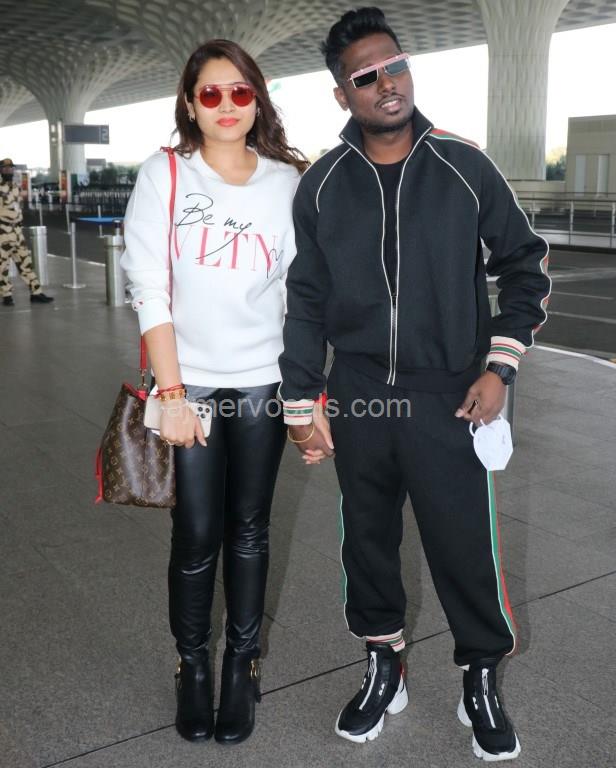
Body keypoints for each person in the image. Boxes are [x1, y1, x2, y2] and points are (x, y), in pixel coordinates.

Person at [279, 7, 550, 762]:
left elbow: (525, 266)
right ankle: (383, 667)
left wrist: (499, 366)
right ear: (343, 94)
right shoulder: (323, 185)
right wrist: (301, 401)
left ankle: (480, 676)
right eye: (365, 76)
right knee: (367, 542)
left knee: (463, 544)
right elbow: (305, 299)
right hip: (360, 393)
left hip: (449, 397)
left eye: (393, 65)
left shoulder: (464, 165)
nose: (386, 83)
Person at [121, 39, 307, 745]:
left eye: (240, 91)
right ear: (190, 104)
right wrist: (171, 393)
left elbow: (299, 294)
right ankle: (192, 665)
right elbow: (149, 288)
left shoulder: (287, 182)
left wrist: (307, 396)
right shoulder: (165, 173)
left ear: (257, 99)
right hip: (190, 382)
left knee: (251, 529)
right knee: (197, 532)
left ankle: (241, 665)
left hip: (263, 380)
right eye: (211, 93)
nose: (227, 105)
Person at [0, 158, 54, 306]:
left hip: (17, 232)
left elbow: (17, 206)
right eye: (5, 168)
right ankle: (7, 295)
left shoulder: (15, 187)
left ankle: (36, 293)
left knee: (26, 263)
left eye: (10, 168)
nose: (8, 170)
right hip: (3, 232)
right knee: (2, 266)